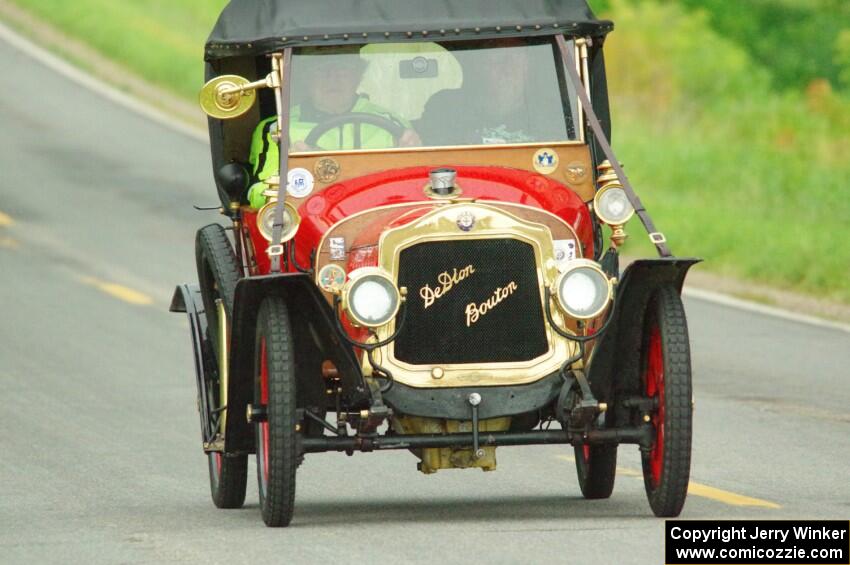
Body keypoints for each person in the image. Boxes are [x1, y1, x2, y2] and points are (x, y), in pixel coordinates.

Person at [247, 46, 421, 209]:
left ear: (357, 77)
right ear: (307, 79)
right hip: (311, 221)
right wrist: (297, 172)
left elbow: (421, 183)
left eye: (342, 70)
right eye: (321, 71)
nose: (332, 79)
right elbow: (257, 196)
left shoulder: (394, 122)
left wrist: (416, 156)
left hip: (380, 213)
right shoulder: (277, 127)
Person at [417, 38, 570, 147]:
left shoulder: (552, 114)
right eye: (497, 57)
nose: (508, 66)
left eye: (516, 56)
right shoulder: (445, 108)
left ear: (529, 66)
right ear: (480, 66)